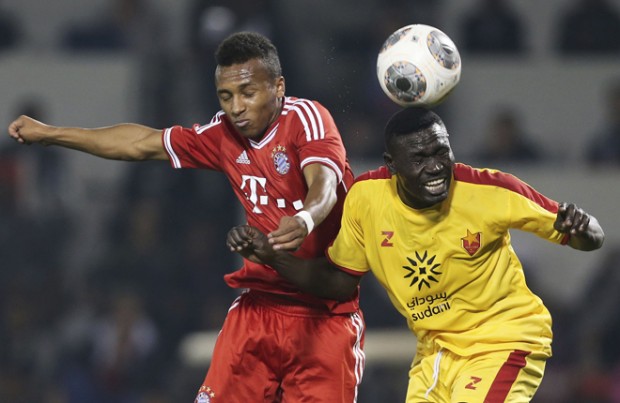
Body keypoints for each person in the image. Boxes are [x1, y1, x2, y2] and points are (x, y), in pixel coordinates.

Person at [8, 31, 364, 402]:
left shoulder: (307, 118)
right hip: (258, 309)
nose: (236, 107)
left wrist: (305, 219)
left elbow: (324, 182)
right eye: (226, 97)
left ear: (278, 86)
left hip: (323, 314)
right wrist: (52, 134)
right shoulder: (223, 133)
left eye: (248, 93)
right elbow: (141, 143)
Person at [227, 107, 605, 402]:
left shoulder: (490, 189)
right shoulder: (366, 199)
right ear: (392, 165)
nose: (436, 167)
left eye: (442, 152)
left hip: (504, 340)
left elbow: (590, 237)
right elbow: (340, 283)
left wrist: (582, 228)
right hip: (435, 355)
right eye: (420, 158)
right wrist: (273, 256)